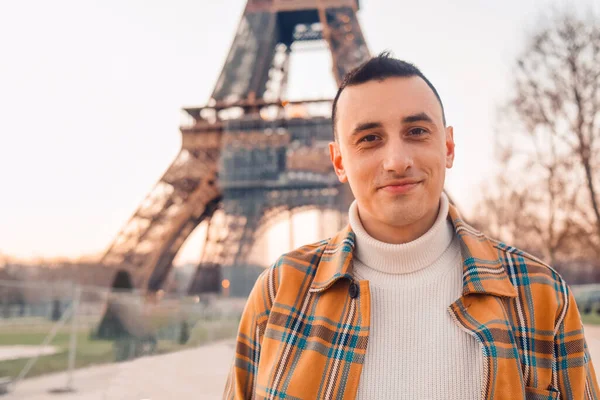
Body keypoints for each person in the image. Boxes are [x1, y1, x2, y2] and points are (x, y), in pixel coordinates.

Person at [223, 53, 599, 399]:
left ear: (448, 147)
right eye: (370, 139)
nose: (397, 161)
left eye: (417, 131)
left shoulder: (543, 296)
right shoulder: (278, 291)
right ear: (338, 161)